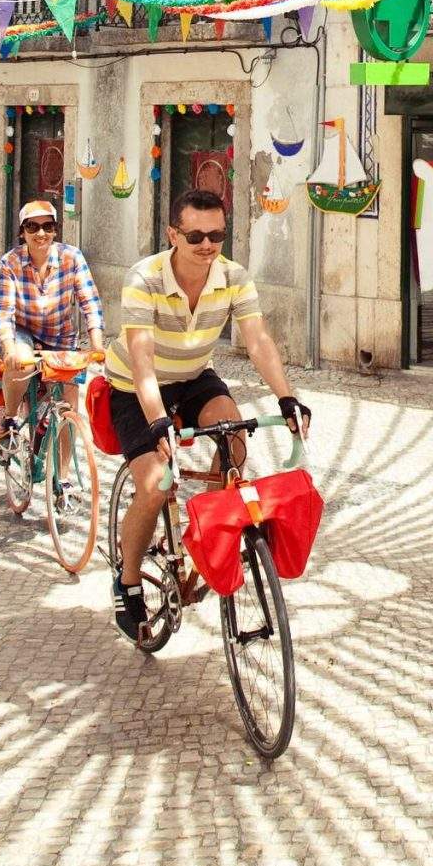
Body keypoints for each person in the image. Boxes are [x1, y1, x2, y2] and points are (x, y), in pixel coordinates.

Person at [105, 187, 309, 642]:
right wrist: (157, 419)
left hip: (195, 376)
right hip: (136, 386)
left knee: (235, 437)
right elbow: (140, 356)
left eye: (217, 234)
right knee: (156, 482)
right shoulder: (144, 277)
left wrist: (286, 399)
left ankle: (207, 529)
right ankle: (129, 580)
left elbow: (257, 340)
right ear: (172, 234)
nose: (207, 245)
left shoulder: (233, 276)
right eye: (195, 235)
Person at [0, 200, 105, 453]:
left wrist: (97, 345)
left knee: (69, 409)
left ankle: (63, 483)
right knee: (23, 360)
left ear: (55, 230)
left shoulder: (71, 257)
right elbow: (4, 313)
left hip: (60, 335)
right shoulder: (10, 262)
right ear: (22, 232)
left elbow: (90, 303)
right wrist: (8, 349)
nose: (41, 233)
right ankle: (9, 421)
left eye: (47, 226)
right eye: (32, 227)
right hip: (21, 331)